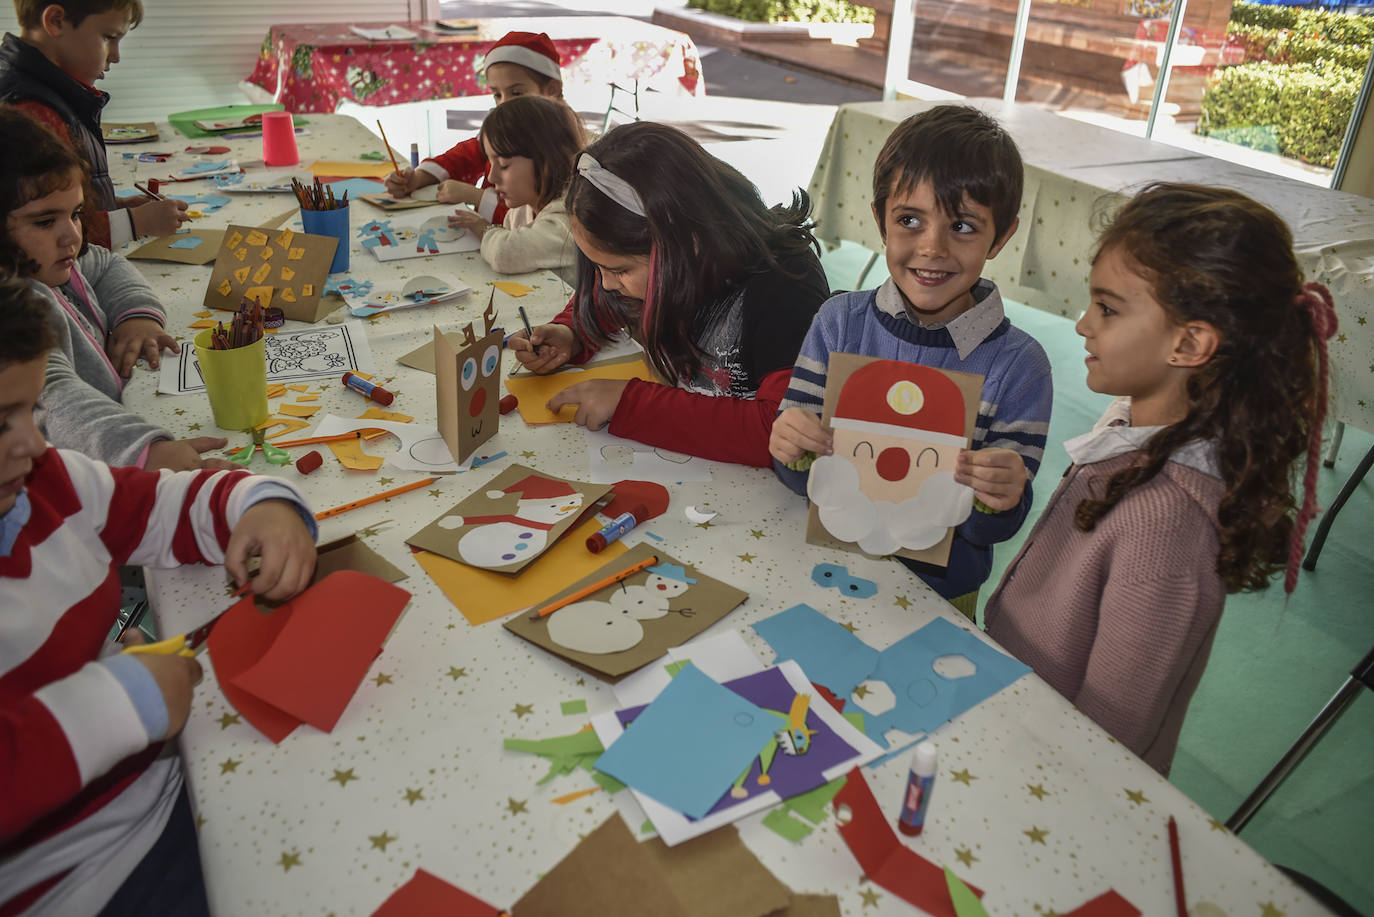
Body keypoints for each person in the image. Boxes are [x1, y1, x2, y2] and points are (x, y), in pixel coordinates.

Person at [983, 183, 1337, 775]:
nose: (1082, 324)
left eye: (1109, 308)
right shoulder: (1130, 426)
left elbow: (1110, 733)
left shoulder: (1167, 527)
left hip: (1049, 772)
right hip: (1011, 711)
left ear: (1190, 342)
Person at [0, 273, 318, 916]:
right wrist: (123, 700)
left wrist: (262, 505)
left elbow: (156, 505)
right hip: (73, 885)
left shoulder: (43, 483)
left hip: (160, 796)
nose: (34, 443)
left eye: (31, 411)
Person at [769, 105, 1052, 617]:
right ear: (880, 220)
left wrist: (999, 494)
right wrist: (791, 445)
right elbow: (797, 475)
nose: (932, 247)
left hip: (939, 598)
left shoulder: (1019, 367)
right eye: (909, 220)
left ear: (1002, 237)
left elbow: (991, 527)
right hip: (823, 567)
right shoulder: (838, 324)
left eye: (963, 226)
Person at [508, 121, 830, 468]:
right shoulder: (681, 263)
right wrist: (572, 333)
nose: (605, 283)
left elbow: (785, 434)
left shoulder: (784, 289)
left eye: (618, 270)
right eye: (597, 267)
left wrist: (631, 403)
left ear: (686, 244)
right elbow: (613, 301)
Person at [0, 108, 231, 471]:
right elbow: (56, 398)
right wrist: (146, 453)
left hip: (123, 417)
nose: (72, 235)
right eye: (45, 221)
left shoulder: (50, 262)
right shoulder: (12, 308)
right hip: (83, 471)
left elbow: (105, 262)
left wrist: (136, 316)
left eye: (75, 214)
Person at [0, 0, 188, 249]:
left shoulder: (56, 97)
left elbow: (60, 202)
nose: (116, 56)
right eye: (109, 37)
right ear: (56, 21)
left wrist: (114, 206)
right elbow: (47, 234)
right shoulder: (32, 114)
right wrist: (135, 223)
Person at [383, 30, 565, 228]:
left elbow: (537, 223)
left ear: (552, 90)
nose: (504, 104)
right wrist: (418, 179)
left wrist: (476, 197)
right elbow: (467, 155)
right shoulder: (507, 126)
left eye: (517, 92)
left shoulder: (559, 147)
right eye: (497, 94)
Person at [446, 94, 583, 287]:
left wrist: (484, 229)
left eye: (503, 165)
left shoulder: (569, 219)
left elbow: (506, 253)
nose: (492, 177)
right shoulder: (520, 210)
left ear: (546, 163)